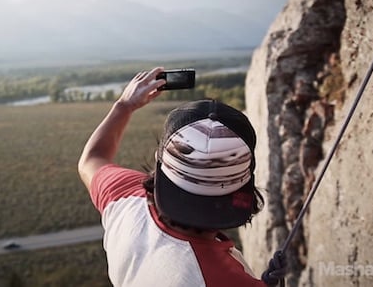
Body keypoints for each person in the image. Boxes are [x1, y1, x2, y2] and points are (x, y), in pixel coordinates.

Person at [78, 67, 286, 287]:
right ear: (241, 188)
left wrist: (125, 105)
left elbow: (91, 159)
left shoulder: (124, 197)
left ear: (161, 162)